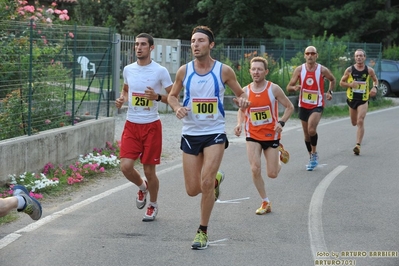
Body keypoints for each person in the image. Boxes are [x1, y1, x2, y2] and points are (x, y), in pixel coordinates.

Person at [167, 25, 250, 250]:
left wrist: (242, 100)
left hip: (214, 133)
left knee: (204, 183)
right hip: (190, 134)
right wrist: (176, 107)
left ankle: (202, 231)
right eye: (193, 41)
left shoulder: (224, 71)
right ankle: (216, 180)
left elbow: (241, 93)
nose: (195, 44)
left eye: (201, 41)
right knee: (193, 189)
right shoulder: (184, 71)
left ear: (211, 45)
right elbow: (172, 96)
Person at [115, 33, 173, 222]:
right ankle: (142, 187)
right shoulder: (128, 69)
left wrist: (157, 97)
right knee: (125, 166)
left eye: (143, 45)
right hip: (132, 124)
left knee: (150, 171)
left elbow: (173, 98)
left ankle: (153, 205)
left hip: (151, 126)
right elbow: (125, 89)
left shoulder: (160, 71)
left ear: (151, 48)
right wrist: (122, 98)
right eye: (136, 44)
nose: (138, 48)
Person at [234, 56, 294, 215]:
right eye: (253, 69)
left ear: (266, 71)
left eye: (259, 69)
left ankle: (279, 156)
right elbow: (241, 111)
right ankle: (265, 201)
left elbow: (289, 107)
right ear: (249, 71)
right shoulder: (245, 91)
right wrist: (239, 124)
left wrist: (281, 122)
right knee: (255, 168)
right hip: (252, 134)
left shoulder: (273, 89)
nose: (256, 72)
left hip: (271, 135)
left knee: (272, 174)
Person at [287, 46, 336, 171]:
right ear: (304, 55)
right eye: (307, 53)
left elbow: (332, 79)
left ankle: (314, 154)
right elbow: (289, 86)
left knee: (311, 129)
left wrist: (330, 92)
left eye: (312, 53)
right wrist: (294, 88)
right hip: (303, 105)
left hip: (317, 104)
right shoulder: (299, 70)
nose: (310, 55)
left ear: (316, 55)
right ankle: (311, 157)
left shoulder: (322, 70)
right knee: (306, 135)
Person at [339, 49, 378, 155]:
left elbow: (375, 80)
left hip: (363, 99)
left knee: (360, 121)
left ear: (364, 57)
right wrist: (350, 85)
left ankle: (358, 145)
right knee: (354, 123)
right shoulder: (349, 70)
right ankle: (358, 141)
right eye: (357, 56)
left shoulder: (369, 70)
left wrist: (375, 88)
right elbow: (341, 83)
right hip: (352, 99)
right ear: (354, 58)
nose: (359, 57)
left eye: (361, 56)